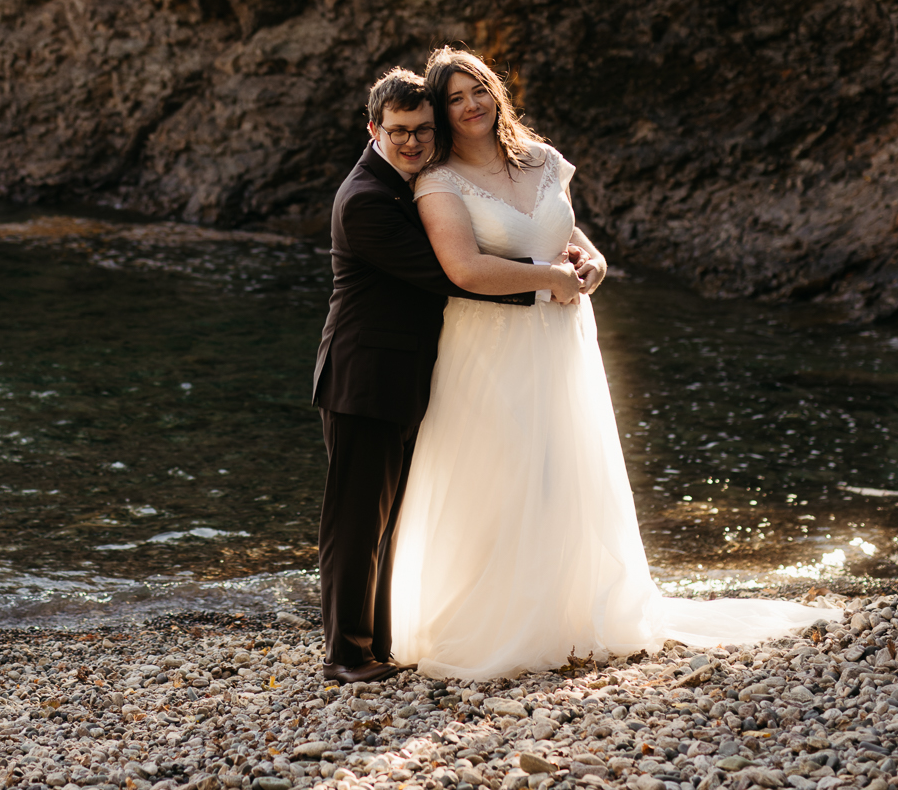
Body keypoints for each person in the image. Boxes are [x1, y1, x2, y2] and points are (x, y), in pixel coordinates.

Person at [388, 47, 837, 680]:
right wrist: (552, 278)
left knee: (563, 465)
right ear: (440, 107)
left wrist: (593, 262)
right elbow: (464, 269)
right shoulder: (438, 180)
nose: (470, 106)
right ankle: (492, 620)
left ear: (497, 93)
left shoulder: (542, 160)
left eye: (479, 91)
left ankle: (569, 611)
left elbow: (563, 233)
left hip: (562, 336)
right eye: (455, 97)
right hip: (489, 341)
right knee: (497, 468)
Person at [312, 67, 583, 684]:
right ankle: (346, 655)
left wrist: (564, 248)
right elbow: (448, 272)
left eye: (422, 131)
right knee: (355, 523)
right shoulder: (366, 201)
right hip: (364, 376)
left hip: (405, 374)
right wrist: (544, 279)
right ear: (373, 128)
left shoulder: (405, 181)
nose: (413, 142)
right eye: (401, 131)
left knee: (389, 516)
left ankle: (375, 642)